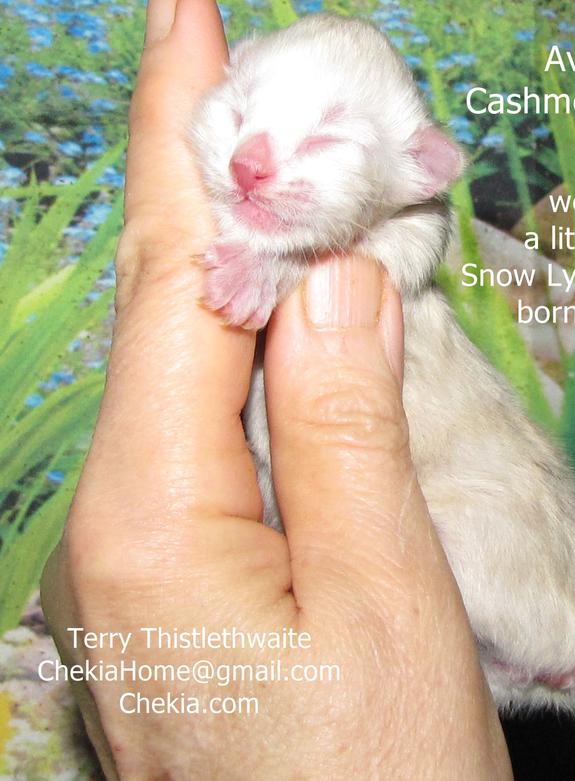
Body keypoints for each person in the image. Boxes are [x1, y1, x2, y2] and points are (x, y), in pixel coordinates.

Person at [40, 0, 513, 777]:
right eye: (236, 113)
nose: (248, 160)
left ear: (417, 173)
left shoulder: (408, 235)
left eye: (323, 140)